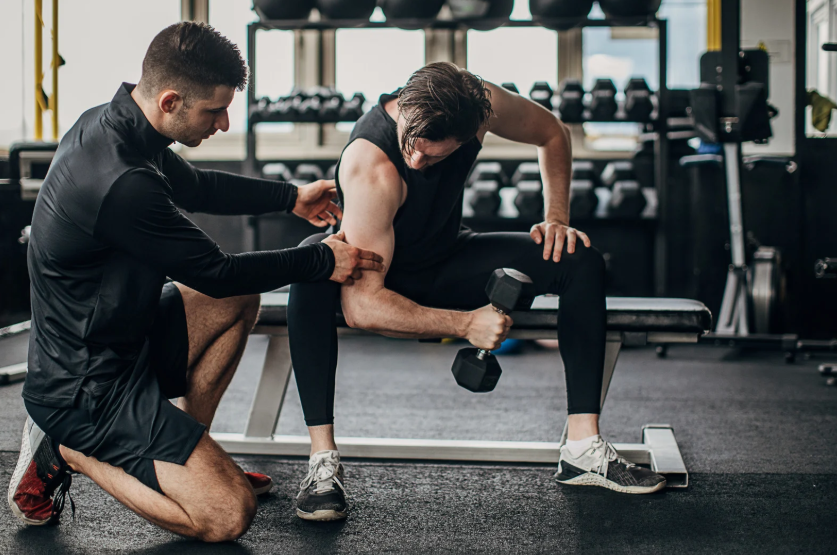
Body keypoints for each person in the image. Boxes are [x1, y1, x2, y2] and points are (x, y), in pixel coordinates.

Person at [7, 22, 384, 542]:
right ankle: (67, 449)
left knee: (236, 303)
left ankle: (186, 454)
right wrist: (321, 262)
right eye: (214, 111)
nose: (226, 123)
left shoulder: (119, 127)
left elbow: (197, 187)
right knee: (229, 514)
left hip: (123, 339)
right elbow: (215, 270)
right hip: (86, 389)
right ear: (170, 100)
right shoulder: (121, 184)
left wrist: (290, 197)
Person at [288, 62, 667, 521]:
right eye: (411, 144)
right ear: (405, 107)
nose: (416, 162)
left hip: (448, 256)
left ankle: (583, 447)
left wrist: (557, 218)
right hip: (379, 277)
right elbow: (364, 308)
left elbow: (553, 132)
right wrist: (467, 324)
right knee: (311, 261)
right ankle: (322, 463)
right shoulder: (373, 166)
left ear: (473, 133)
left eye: (433, 157)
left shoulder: (482, 103)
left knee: (578, 257)